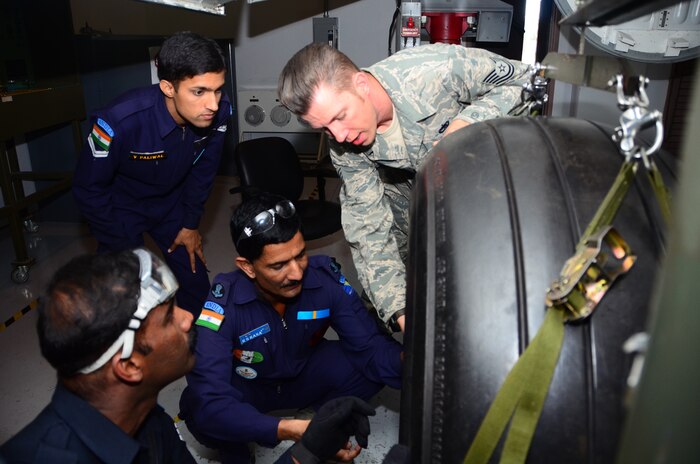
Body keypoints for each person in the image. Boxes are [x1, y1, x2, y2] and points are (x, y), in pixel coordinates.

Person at [0, 249, 378, 464]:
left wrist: (308, 445)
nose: (187, 320)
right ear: (129, 366)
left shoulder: (148, 420)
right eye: (168, 318)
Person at [278, 43, 531, 332]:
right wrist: (400, 311)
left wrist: (466, 126)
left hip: (484, 192)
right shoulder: (343, 145)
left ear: (361, 84)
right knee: (384, 301)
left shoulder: (435, 69)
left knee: (489, 296)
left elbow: (527, 81)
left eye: (339, 116)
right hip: (412, 206)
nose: (338, 135)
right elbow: (368, 224)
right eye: (324, 128)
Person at [178, 192, 403, 463]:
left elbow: (370, 347)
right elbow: (211, 397)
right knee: (197, 405)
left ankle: (318, 419)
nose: (296, 273)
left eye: (300, 255)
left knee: (371, 364)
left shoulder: (324, 281)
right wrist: (284, 430)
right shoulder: (224, 304)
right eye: (279, 265)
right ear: (248, 267)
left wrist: (413, 358)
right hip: (251, 389)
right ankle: (238, 451)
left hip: (304, 374)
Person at [72, 31, 233, 316]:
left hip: (172, 205)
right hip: (122, 210)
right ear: (168, 87)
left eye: (218, 89)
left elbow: (205, 171)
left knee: (197, 287)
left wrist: (191, 223)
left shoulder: (219, 114)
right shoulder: (119, 121)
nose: (213, 104)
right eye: (199, 92)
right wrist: (122, 246)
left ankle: (197, 353)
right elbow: (89, 189)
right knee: (127, 299)